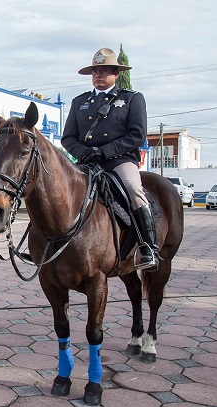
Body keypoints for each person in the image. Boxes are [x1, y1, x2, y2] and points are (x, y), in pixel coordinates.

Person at [61, 47, 157, 270]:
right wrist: (82, 152)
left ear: (116, 74)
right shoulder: (79, 102)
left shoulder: (131, 99)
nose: (98, 75)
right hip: (87, 162)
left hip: (119, 161)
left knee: (133, 190)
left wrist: (103, 151)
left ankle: (148, 247)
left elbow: (137, 135)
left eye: (104, 71)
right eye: (95, 71)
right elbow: (68, 138)